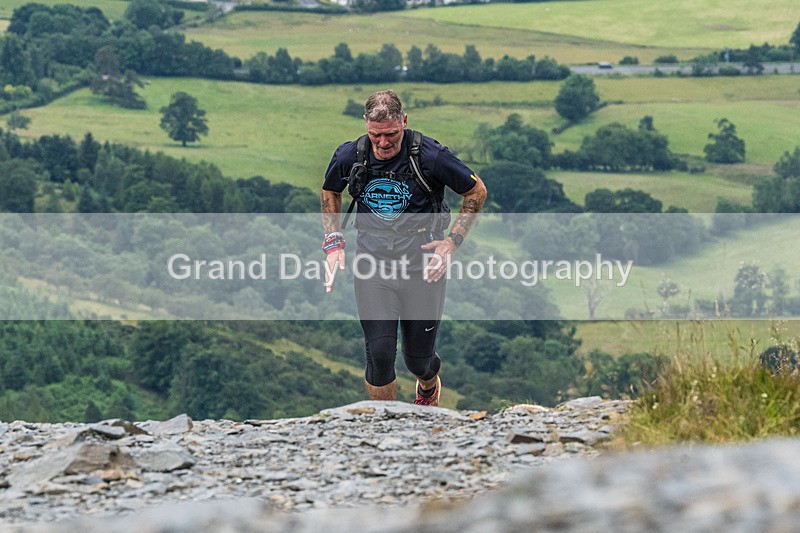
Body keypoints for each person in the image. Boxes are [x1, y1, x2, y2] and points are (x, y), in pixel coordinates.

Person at [320, 90, 486, 406]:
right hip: (373, 264)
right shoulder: (350, 156)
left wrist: (452, 242)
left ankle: (427, 387)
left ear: (404, 122)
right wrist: (334, 242)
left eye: (392, 135)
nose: (383, 143)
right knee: (380, 354)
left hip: (422, 267)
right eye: (375, 135)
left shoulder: (430, 156)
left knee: (417, 362)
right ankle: (386, 427)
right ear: (366, 125)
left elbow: (476, 190)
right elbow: (330, 190)